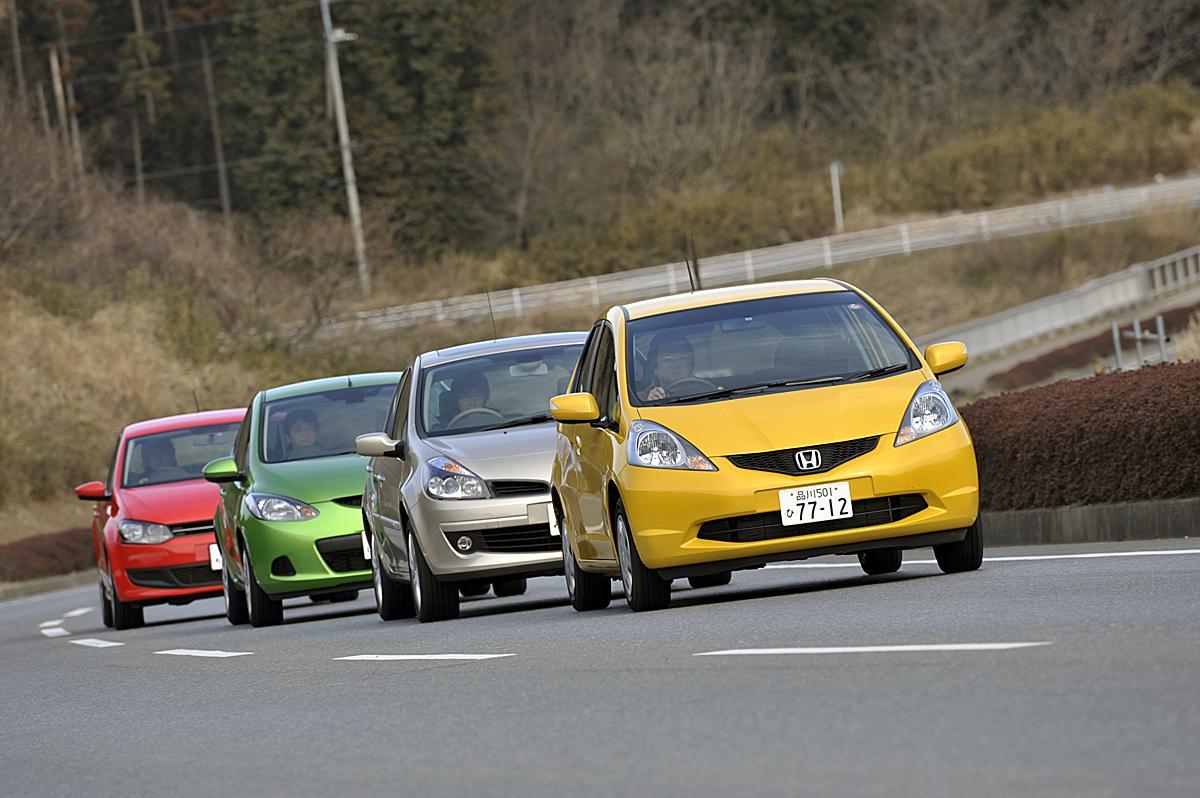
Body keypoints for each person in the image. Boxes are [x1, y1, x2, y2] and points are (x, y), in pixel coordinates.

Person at [643, 332, 701, 401]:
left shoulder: (706, 390)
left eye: (681, 358)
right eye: (668, 359)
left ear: (690, 364)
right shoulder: (640, 400)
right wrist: (651, 403)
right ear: (655, 366)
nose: (675, 365)